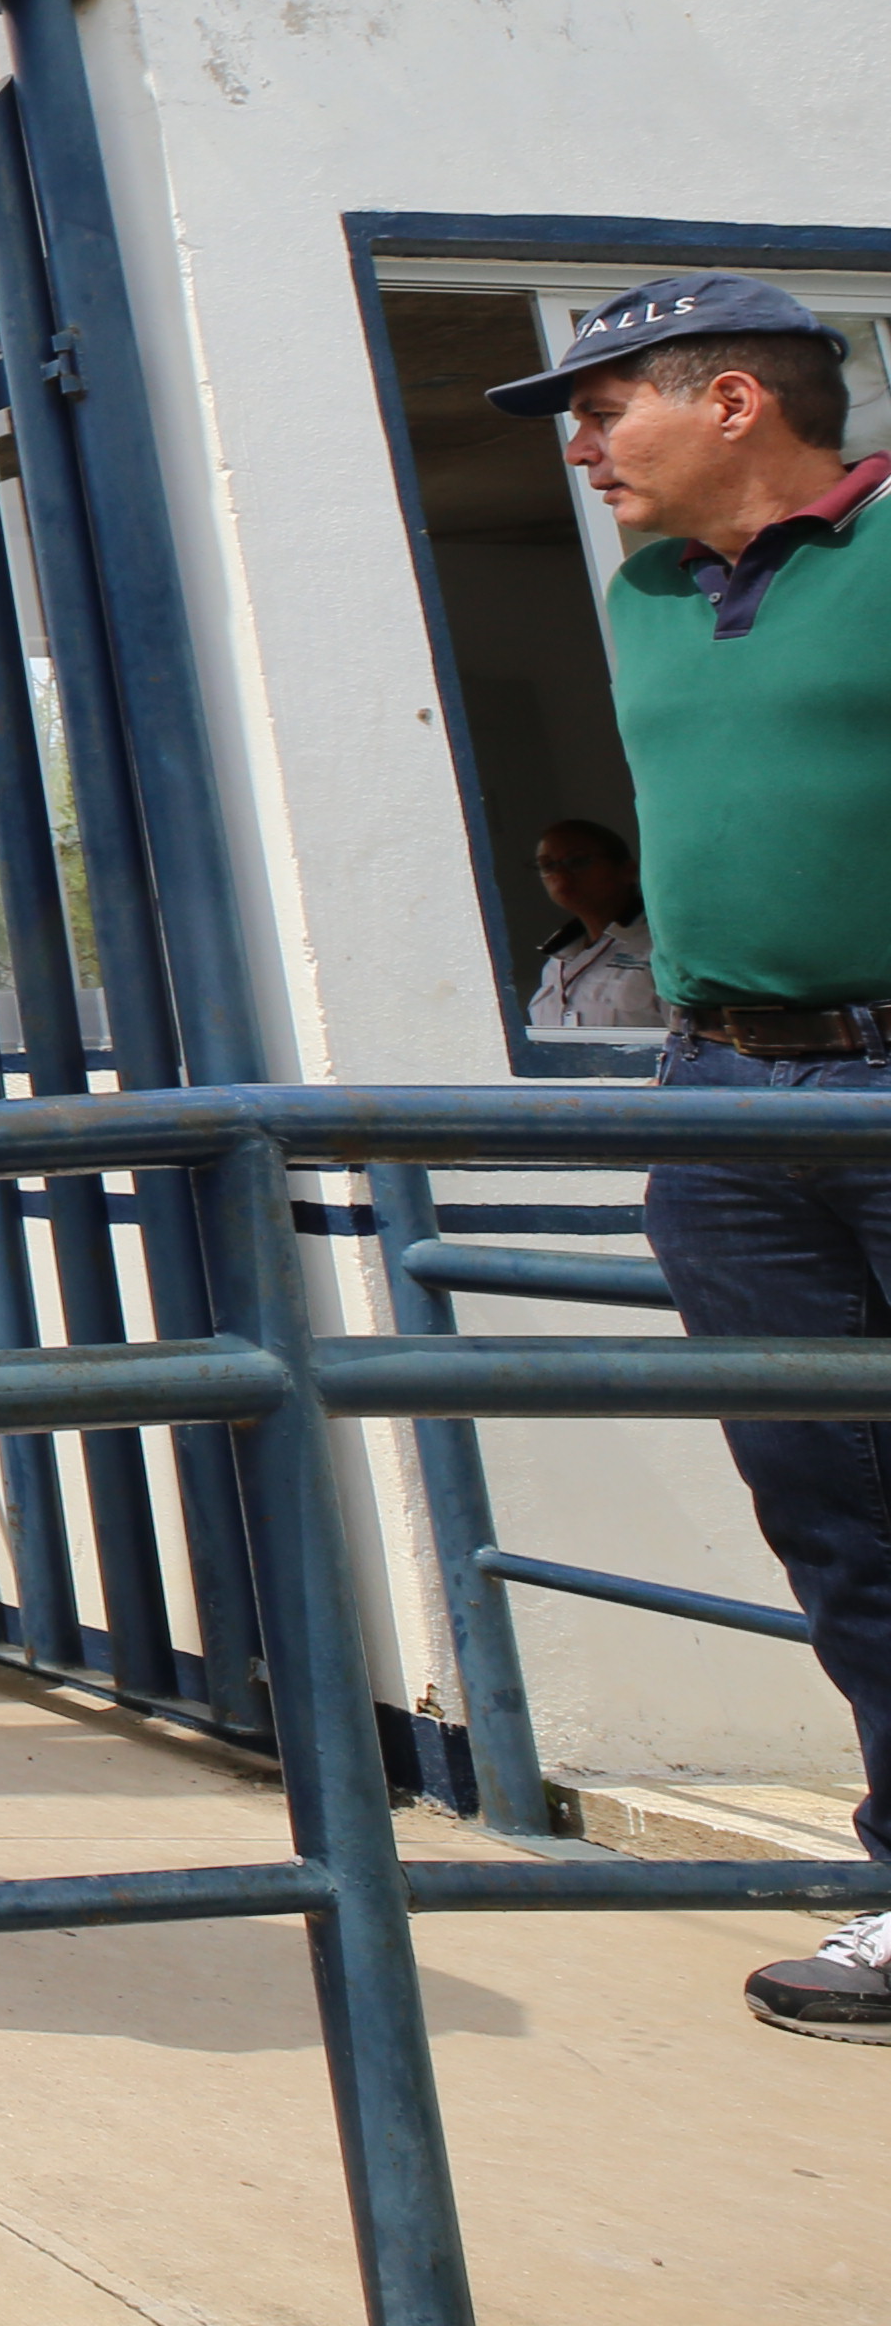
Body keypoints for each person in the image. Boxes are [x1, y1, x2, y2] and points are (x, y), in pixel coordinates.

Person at [488, 275, 891, 2041]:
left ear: (734, 401)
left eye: (602, 409)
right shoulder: (649, 592)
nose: (581, 448)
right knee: (834, 1514)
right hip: (718, 1097)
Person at [527, 818, 663, 1034]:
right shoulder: (558, 959)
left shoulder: (661, 947)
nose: (560, 875)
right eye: (548, 865)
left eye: (577, 861)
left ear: (627, 871)